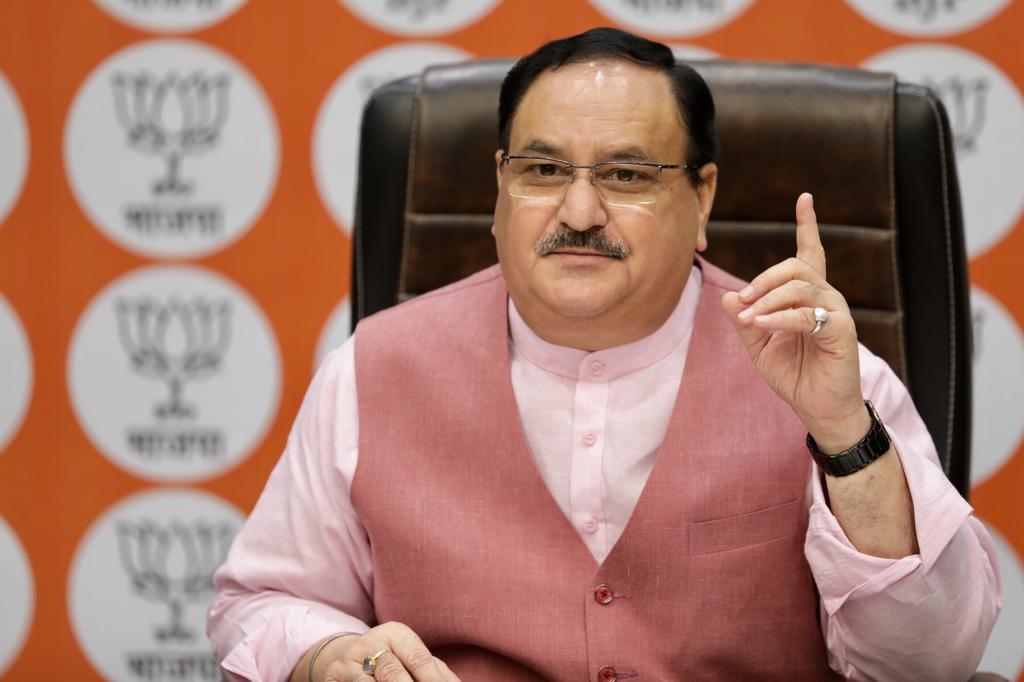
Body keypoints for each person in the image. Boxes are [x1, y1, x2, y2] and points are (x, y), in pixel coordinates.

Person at [208, 28, 1000, 681]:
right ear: (499, 188)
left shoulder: (822, 371)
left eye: (627, 174)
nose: (579, 211)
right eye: (543, 170)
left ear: (703, 199)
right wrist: (327, 656)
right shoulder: (372, 368)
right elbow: (260, 602)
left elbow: (932, 663)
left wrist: (842, 436)